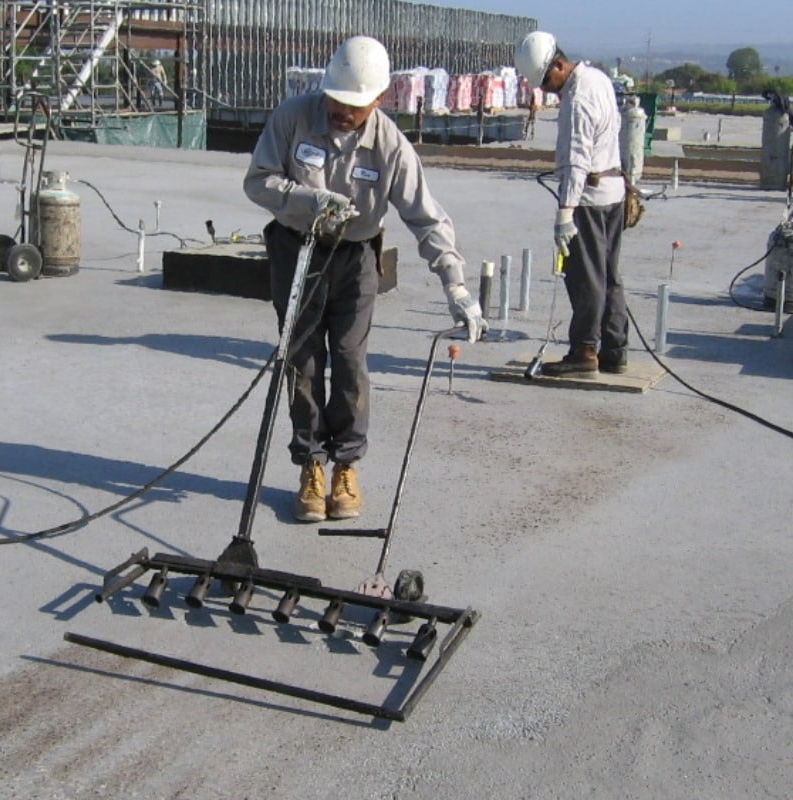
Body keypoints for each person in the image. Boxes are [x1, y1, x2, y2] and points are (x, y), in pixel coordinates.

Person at [243, 35, 487, 523]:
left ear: (378, 99)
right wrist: (307, 200)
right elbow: (258, 181)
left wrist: (456, 286)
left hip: (355, 258)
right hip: (298, 250)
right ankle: (310, 464)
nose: (341, 111)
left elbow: (427, 217)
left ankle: (346, 466)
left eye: (354, 106)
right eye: (335, 100)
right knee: (303, 361)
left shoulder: (390, 144)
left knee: (350, 362)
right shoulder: (292, 117)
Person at [515, 31, 628, 377]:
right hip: (613, 193)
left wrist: (565, 213)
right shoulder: (598, 78)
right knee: (608, 275)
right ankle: (615, 349)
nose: (548, 89)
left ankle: (584, 351)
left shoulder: (577, 99)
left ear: (560, 65)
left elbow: (577, 160)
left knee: (585, 278)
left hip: (589, 200)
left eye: (548, 80)